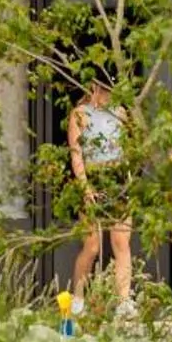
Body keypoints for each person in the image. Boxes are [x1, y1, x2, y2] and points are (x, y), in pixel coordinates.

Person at [68, 83, 135, 317]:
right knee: (92, 245)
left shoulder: (120, 112)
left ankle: (124, 299)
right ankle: (78, 297)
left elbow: (127, 150)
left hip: (117, 178)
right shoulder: (80, 114)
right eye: (104, 90)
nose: (108, 95)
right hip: (94, 176)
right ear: (94, 88)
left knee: (121, 243)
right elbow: (76, 153)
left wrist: (128, 182)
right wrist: (86, 188)